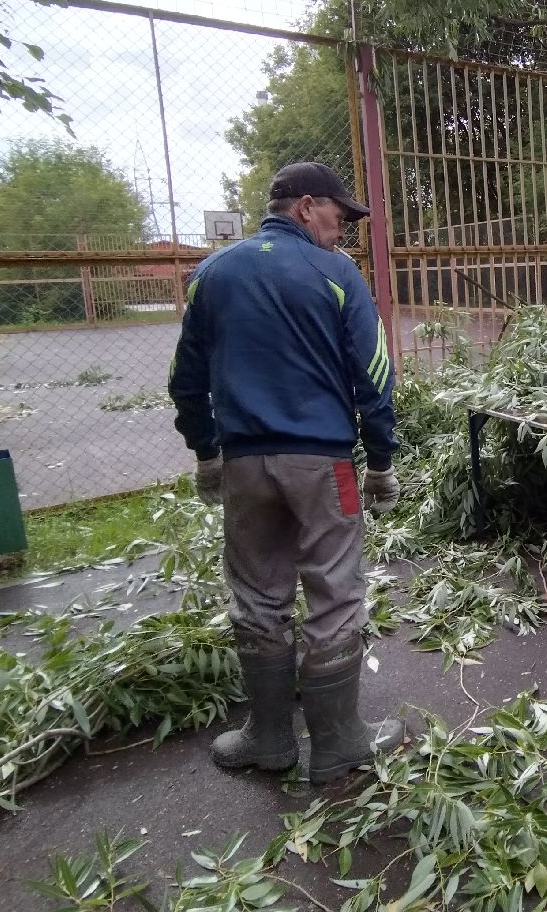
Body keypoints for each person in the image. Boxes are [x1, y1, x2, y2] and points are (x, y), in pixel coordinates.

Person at [168, 161, 403, 784]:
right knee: (334, 590)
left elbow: (185, 379)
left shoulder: (213, 274)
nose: (343, 230)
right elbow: (375, 377)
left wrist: (206, 453)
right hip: (325, 464)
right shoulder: (335, 275)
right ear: (305, 206)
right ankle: (339, 744)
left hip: (245, 465)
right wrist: (379, 463)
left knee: (258, 592)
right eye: (337, 214)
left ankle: (269, 739)